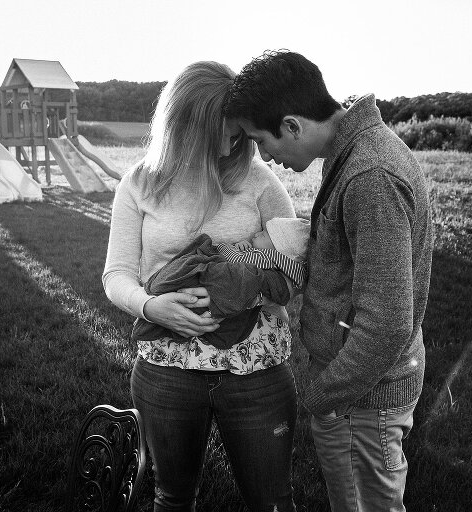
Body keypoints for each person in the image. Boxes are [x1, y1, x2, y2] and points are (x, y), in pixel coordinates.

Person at [225, 50, 434, 512]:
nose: (265, 157)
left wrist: (322, 396)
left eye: (261, 140)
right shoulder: (354, 152)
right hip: (356, 392)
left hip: (361, 398)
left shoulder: (370, 175)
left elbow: (387, 323)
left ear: (293, 125)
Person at [102, 61, 298, 512]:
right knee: (172, 499)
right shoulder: (139, 185)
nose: (234, 145)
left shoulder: (260, 182)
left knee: (272, 502)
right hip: (168, 370)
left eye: (240, 135)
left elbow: (293, 269)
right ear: (188, 125)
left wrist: (244, 291)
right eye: (226, 133)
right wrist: (153, 308)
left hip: (255, 370)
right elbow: (116, 275)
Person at [132, 217, 310, 348]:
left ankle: (162, 288)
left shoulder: (266, 257)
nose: (256, 233)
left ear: (278, 248)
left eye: (263, 234)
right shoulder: (270, 258)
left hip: (252, 354)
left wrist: (227, 247)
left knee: (192, 269)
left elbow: (234, 260)